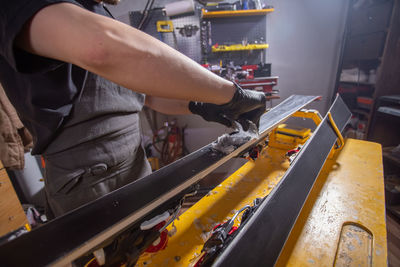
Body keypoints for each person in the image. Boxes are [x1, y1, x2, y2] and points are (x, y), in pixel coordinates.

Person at [0, 0, 266, 218]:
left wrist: (198, 104)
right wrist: (231, 95)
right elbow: (100, 48)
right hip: (89, 181)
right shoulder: (33, 9)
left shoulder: (88, 9)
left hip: (132, 164)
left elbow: (144, 95)